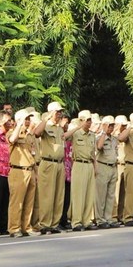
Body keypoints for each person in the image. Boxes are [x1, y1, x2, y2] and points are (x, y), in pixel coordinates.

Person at [33, 102, 66, 234]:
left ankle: (54, 223)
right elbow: (36, 133)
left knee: (58, 195)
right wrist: (46, 118)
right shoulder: (45, 124)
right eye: (57, 111)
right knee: (47, 194)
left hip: (59, 163)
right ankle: (45, 223)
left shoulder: (59, 128)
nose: (59, 114)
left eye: (60, 112)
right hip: (47, 162)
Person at [63, 110, 97, 231]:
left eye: (89, 120)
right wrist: (78, 127)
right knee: (78, 194)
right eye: (87, 120)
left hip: (89, 164)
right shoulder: (76, 133)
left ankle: (86, 220)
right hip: (78, 163)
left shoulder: (92, 135)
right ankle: (76, 221)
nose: (89, 123)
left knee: (89, 194)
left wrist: (95, 166)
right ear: (81, 120)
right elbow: (64, 136)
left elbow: (93, 152)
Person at [7, 109, 36, 237]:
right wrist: (19, 124)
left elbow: (32, 154)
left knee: (29, 202)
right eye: (26, 119)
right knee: (16, 202)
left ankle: (26, 227)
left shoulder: (29, 135)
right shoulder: (12, 132)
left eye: (29, 119)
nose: (28, 121)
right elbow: (12, 139)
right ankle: (14, 228)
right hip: (18, 170)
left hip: (30, 169)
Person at [94, 116, 119, 228]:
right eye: (109, 125)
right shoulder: (99, 137)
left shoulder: (114, 139)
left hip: (113, 167)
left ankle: (108, 218)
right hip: (103, 166)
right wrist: (103, 132)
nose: (111, 127)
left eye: (112, 125)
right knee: (101, 195)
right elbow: (99, 147)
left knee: (110, 195)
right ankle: (100, 219)